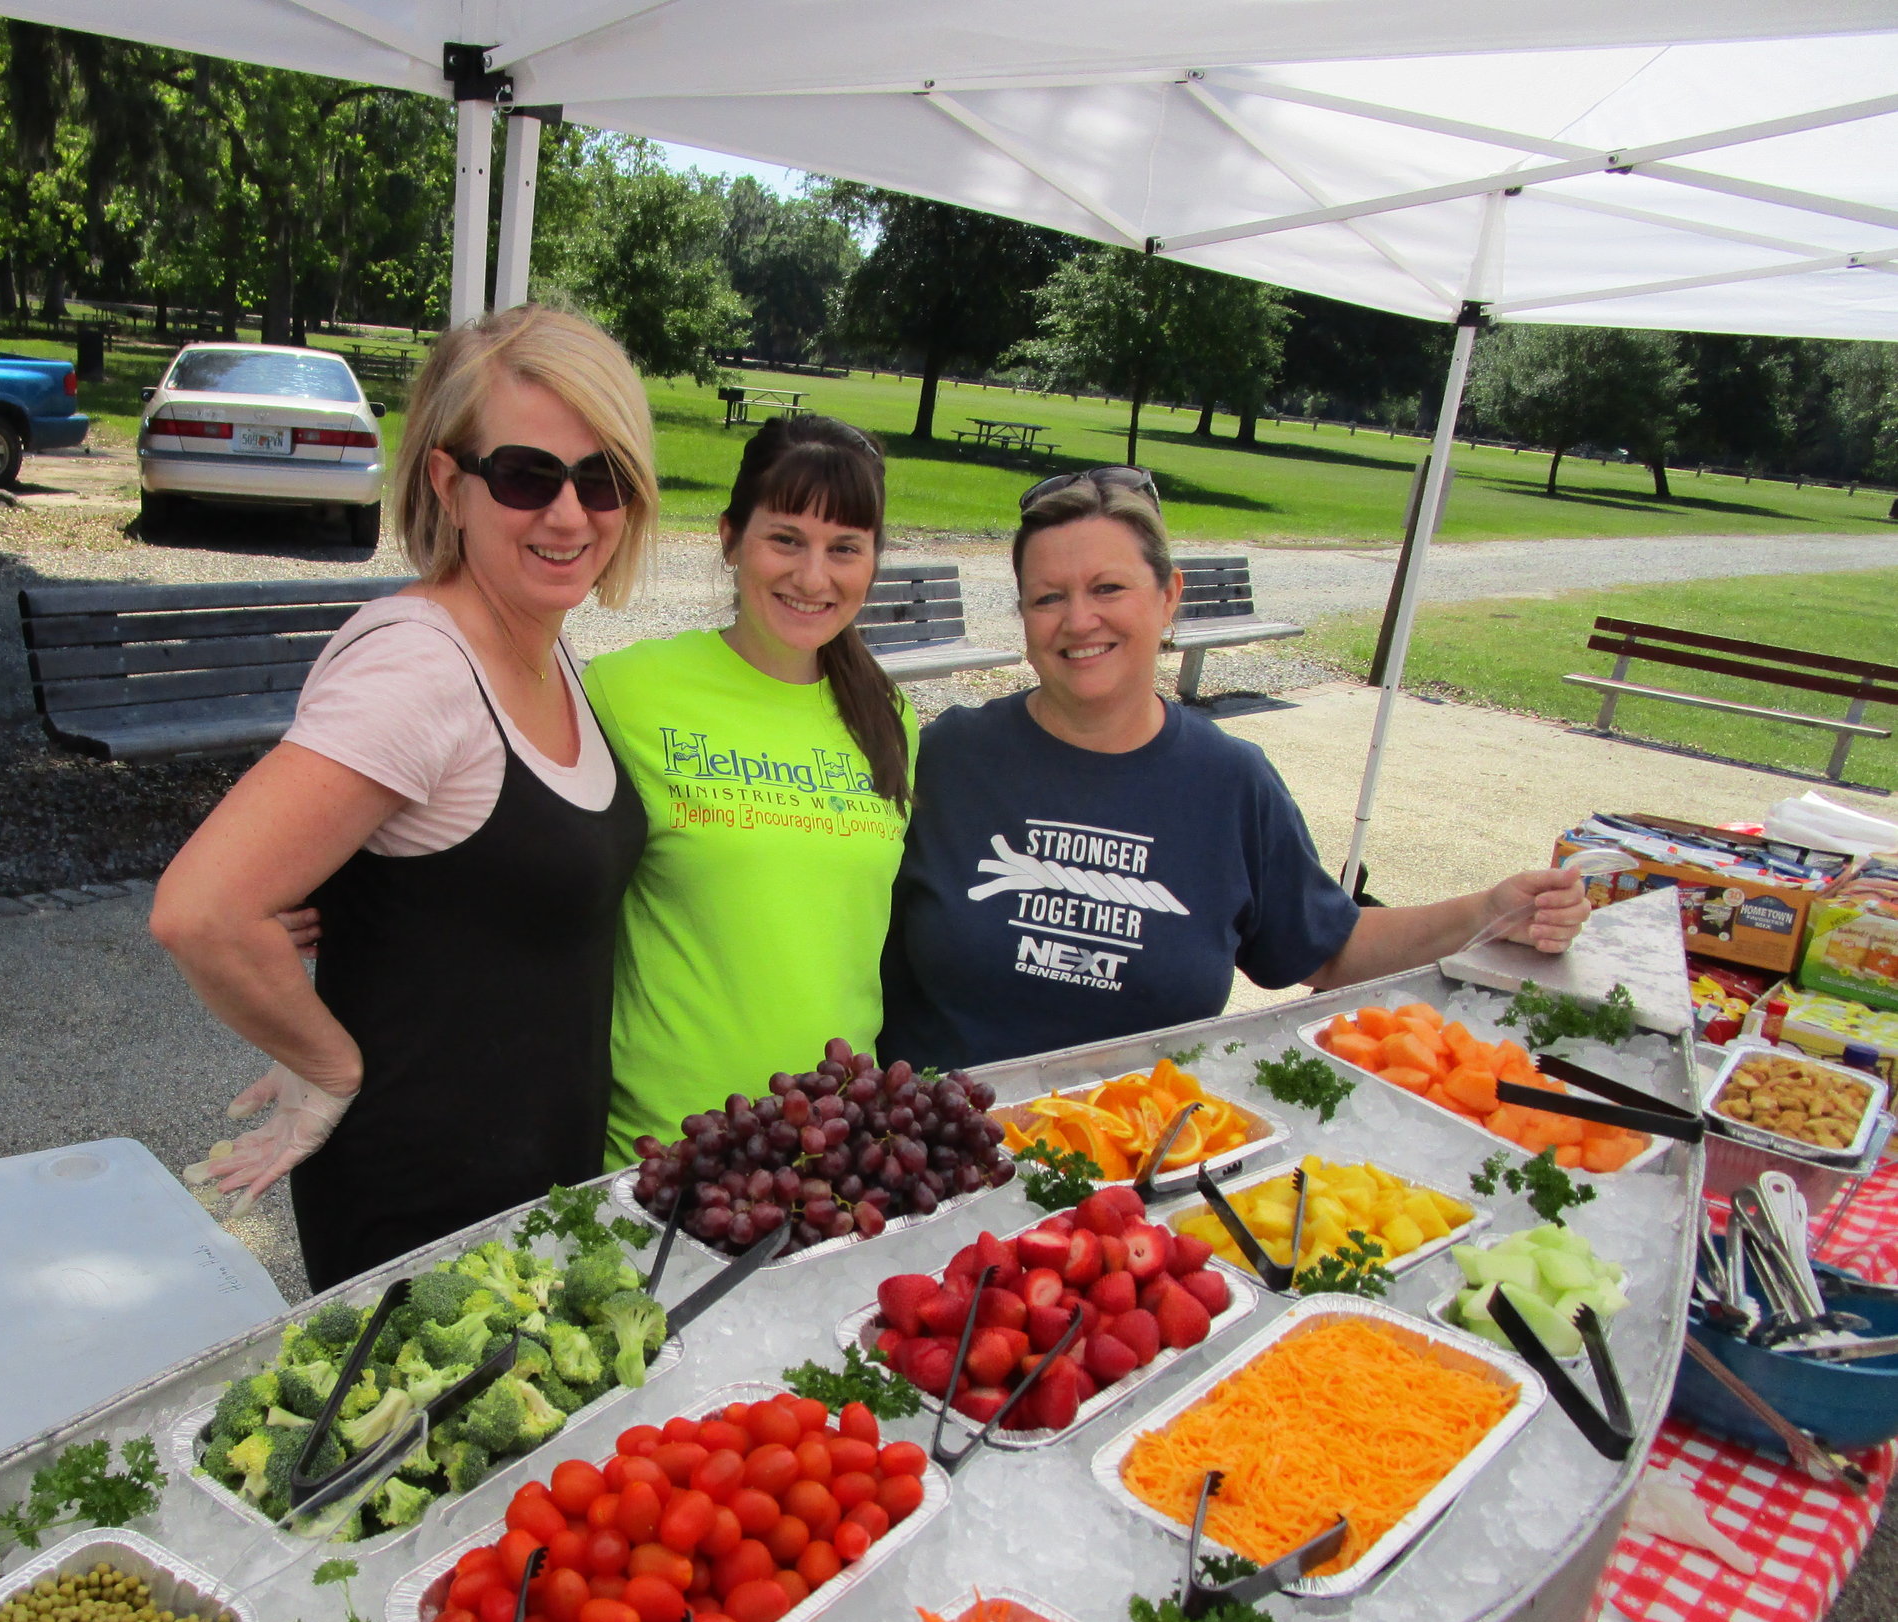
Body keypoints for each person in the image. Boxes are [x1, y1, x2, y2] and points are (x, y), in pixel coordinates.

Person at [152, 304, 655, 1289]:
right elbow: (204, 911)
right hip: (423, 1215)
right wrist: (325, 1064)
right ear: (447, 482)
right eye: (525, 475)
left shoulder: (546, 650)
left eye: (602, 478)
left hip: (530, 1193)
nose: (568, 513)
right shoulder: (421, 669)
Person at [879, 470, 1588, 1070]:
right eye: (1048, 597)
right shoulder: (948, 756)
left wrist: (1486, 914)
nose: (1078, 619)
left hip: (1135, 1172)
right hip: (935, 1160)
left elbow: (1330, 950)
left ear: (1168, 596)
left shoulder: (1229, 781)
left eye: (1108, 588)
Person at [584, 415, 917, 1164]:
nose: (813, 576)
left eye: (844, 548)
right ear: (731, 538)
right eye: (786, 539)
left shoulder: (890, 718)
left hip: (837, 1152)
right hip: (667, 1152)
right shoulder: (626, 693)